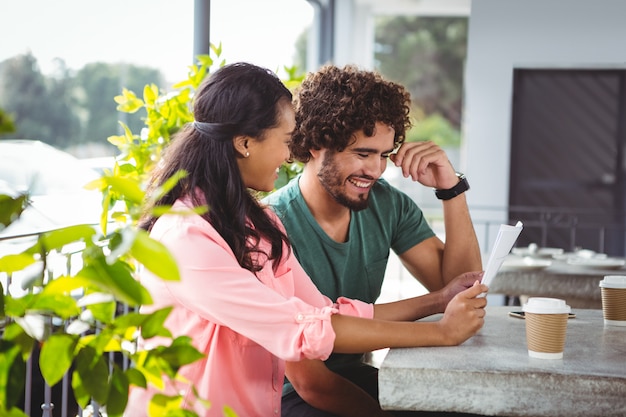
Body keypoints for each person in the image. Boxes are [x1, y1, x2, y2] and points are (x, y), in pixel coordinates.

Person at [124, 62, 488, 417]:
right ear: (245, 143)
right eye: (285, 141)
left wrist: (439, 302)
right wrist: (441, 333)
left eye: (382, 155)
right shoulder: (187, 237)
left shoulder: (257, 223)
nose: (288, 155)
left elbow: (326, 314)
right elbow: (299, 330)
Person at [263, 64, 484, 417]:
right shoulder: (271, 227)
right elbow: (310, 382)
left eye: (383, 155)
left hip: (357, 376)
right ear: (317, 144)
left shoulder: (388, 204)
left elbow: (461, 289)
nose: (377, 171)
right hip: (289, 397)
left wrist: (451, 188)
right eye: (363, 154)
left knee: (463, 404)